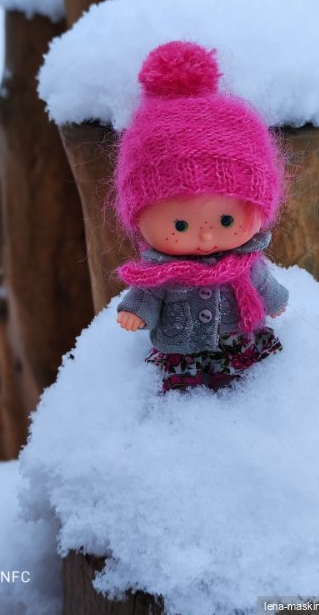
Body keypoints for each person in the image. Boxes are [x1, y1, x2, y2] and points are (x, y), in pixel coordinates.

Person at [114, 40, 288, 392]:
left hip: (239, 341)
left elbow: (263, 285)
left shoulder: (245, 262)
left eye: (226, 222)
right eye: (180, 226)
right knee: (184, 392)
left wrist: (276, 301)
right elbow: (146, 295)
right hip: (183, 351)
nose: (206, 238)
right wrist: (134, 312)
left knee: (247, 387)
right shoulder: (162, 272)